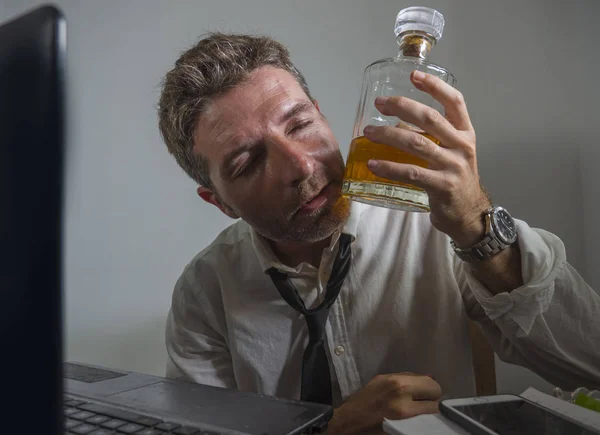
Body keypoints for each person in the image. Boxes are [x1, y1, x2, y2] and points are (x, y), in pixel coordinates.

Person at [157, 33, 600, 433]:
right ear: (220, 202)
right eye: (248, 162)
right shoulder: (204, 294)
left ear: (323, 115)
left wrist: (476, 226)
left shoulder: (432, 224)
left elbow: (589, 361)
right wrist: (334, 430)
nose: (301, 166)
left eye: (300, 125)